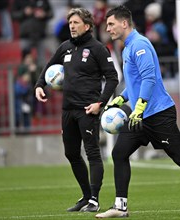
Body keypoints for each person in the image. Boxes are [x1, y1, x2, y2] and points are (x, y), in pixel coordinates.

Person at [95, 5, 180, 218]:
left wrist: (140, 106)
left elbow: (149, 78)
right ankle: (120, 206)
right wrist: (120, 98)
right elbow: (135, 82)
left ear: (124, 23)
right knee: (119, 153)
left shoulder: (140, 44)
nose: (109, 29)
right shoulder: (127, 48)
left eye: (111, 24)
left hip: (159, 114)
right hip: (140, 116)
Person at [34, 7, 118, 212]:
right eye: (70, 23)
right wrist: (39, 85)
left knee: (92, 153)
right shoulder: (65, 47)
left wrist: (100, 103)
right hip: (68, 110)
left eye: (76, 23)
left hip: (88, 109)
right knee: (71, 153)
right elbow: (49, 66)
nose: (72, 26)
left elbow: (113, 78)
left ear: (87, 26)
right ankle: (86, 196)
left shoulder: (98, 49)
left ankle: (95, 200)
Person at [11, 0, 53, 67]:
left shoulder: (44, 1)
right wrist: (24, 12)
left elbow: (51, 14)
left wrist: (44, 14)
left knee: (42, 61)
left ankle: (41, 76)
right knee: (25, 61)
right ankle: (25, 76)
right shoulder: (19, 1)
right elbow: (13, 15)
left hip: (40, 35)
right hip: (25, 35)